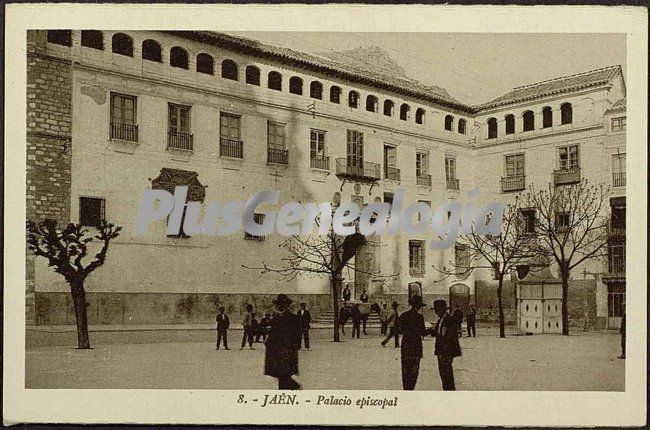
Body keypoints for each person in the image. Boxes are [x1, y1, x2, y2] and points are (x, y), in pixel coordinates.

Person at [264, 294, 302, 390]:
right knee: (282, 375)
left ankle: (294, 387)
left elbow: (297, 333)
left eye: (282, 304)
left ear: (286, 305)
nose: (280, 306)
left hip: (287, 350)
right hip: (277, 351)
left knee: (283, 374)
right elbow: (272, 333)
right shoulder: (276, 318)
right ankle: (291, 389)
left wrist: (295, 346)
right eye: (278, 304)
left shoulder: (292, 318)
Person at [397, 295, 427, 390]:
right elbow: (423, 332)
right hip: (416, 346)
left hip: (406, 346)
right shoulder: (419, 317)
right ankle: (411, 388)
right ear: (418, 306)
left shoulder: (403, 315)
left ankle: (406, 389)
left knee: (405, 370)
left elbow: (399, 330)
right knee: (414, 371)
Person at [432, 299, 462, 390]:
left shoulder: (450, 319)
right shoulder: (441, 319)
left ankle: (450, 391)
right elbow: (437, 332)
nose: (436, 313)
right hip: (441, 351)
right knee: (443, 373)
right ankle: (447, 389)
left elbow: (450, 337)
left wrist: (445, 352)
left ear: (442, 310)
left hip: (446, 352)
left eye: (437, 310)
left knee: (447, 373)